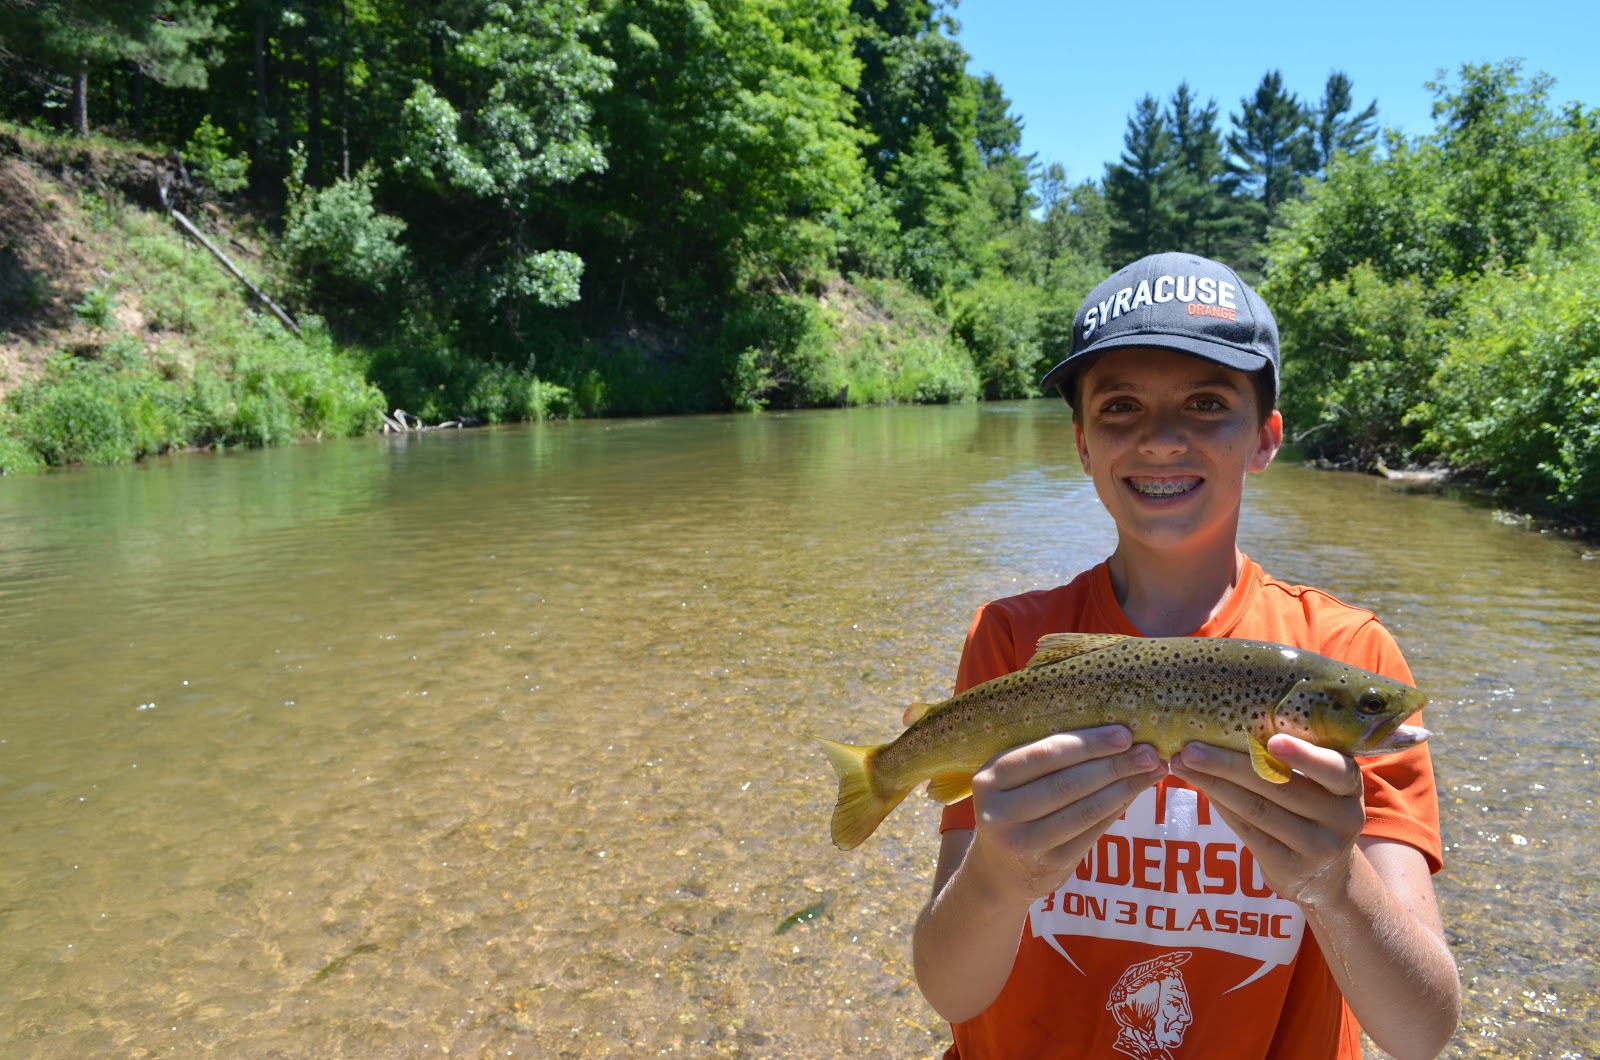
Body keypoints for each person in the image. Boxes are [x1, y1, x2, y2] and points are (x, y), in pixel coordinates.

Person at [910, 252, 1459, 1060]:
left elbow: (1421, 1033)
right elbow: (949, 991)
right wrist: (998, 877)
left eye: (1207, 405)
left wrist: (1332, 885)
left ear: (1265, 439)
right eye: (1120, 407)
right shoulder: (1010, 641)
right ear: (1082, 444)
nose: (1161, 439)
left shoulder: (1346, 652)